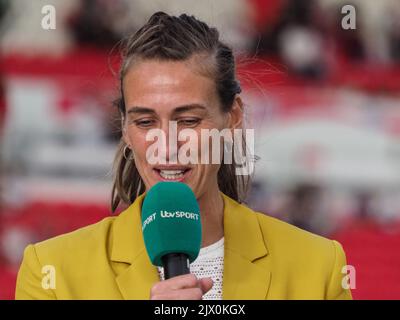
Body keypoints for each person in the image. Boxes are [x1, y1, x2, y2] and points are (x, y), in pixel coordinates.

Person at [15, 12, 352, 300]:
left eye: (189, 120)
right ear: (126, 130)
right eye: (146, 122)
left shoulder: (319, 268)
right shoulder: (51, 272)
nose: (167, 145)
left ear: (232, 118)